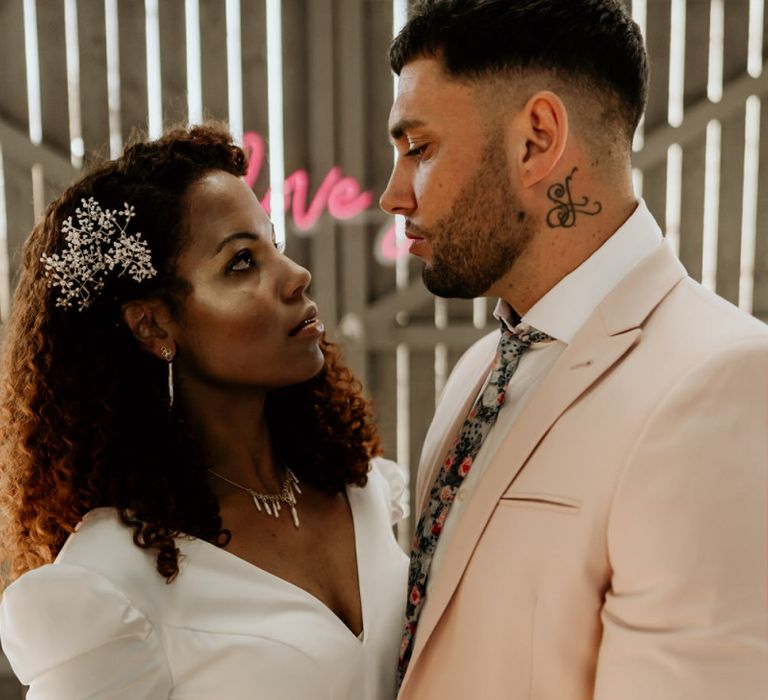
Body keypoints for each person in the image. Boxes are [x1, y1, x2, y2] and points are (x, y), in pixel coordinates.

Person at [379, 1, 768, 698]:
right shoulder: (479, 368)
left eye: (418, 148)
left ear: (536, 139)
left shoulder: (722, 380)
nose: (393, 195)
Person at [0, 123, 409, 699]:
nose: (296, 276)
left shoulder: (358, 486)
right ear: (153, 324)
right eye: (242, 262)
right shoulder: (113, 583)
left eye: (275, 245)